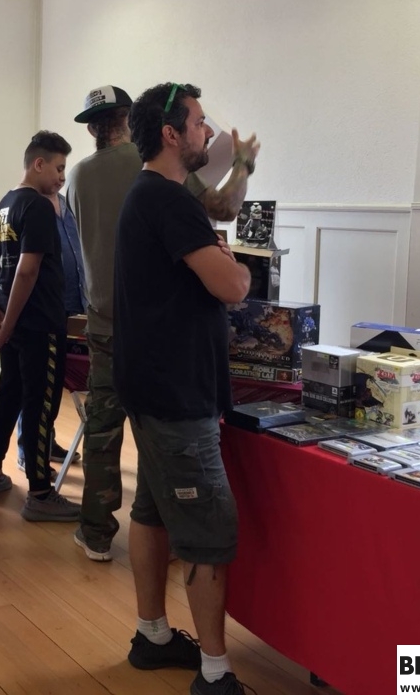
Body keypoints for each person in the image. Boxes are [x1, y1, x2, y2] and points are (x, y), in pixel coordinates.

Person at [66, 85, 257, 563]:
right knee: (165, 439)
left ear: (92, 128)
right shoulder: (154, 172)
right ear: (132, 121)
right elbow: (222, 209)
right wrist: (243, 164)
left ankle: (96, 531)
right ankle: (176, 535)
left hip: (102, 315)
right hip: (155, 324)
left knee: (102, 427)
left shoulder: (78, 175)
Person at [114, 82, 257, 694]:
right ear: (171, 134)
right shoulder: (168, 201)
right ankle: (216, 674)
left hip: (152, 388)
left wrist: (219, 252)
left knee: (152, 511)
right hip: (176, 396)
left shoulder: (150, 195)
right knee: (207, 533)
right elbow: (233, 287)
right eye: (199, 122)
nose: (208, 131)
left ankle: (152, 636)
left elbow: (211, 240)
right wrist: (235, 265)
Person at [0, 131, 80, 522]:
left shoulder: (3, 206)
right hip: (39, 323)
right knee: (40, 405)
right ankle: (39, 493)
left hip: (15, 320)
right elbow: (27, 270)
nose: (61, 178)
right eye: (58, 168)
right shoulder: (37, 206)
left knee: (9, 394)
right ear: (38, 164)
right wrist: (8, 321)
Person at [15, 190, 85, 474]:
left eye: (63, 170)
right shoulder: (30, 206)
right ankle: (28, 450)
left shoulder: (66, 204)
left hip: (72, 303)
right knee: (37, 385)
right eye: (57, 169)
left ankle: (47, 441)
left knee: (53, 387)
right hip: (45, 306)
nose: (60, 175)